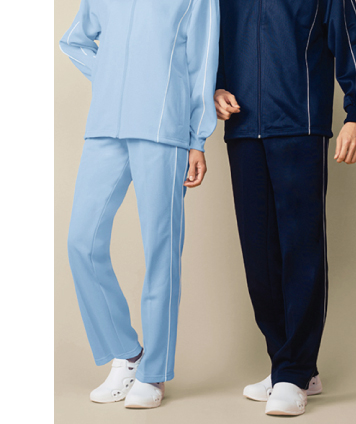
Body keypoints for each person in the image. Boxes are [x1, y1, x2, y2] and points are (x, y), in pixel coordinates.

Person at [214, 0, 356, 416]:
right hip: (243, 130)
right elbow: (214, 44)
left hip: (300, 126)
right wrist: (215, 87)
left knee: (301, 252)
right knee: (259, 258)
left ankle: (293, 372)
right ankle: (288, 365)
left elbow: (349, 39)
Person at [60, 0, 219, 409]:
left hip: (163, 128)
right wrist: (111, 77)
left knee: (161, 252)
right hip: (105, 127)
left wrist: (198, 139)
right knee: (81, 242)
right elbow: (74, 40)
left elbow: (203, 62)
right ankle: (127, 354)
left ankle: (154, 372)